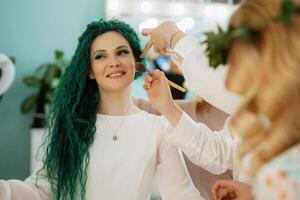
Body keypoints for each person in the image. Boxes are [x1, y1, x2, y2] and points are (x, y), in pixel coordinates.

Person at [0, 19, 204, 200]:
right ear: (90, 70)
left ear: (136, 62)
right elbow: (40, 190)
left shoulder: (160, 129)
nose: (113, 62)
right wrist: (5, 190)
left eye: (122, 52)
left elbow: (182, 193)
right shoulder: (71, 126)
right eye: (100, 56)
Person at [144, 0, 300, 199]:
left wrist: (176, 38)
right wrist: (168, 108)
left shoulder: (283, 172)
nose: (235, 65)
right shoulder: (255, 116)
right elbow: (218, 151)